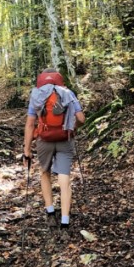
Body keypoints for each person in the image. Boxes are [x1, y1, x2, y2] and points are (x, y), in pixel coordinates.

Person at [22, 69, 85, 227]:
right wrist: (73, 127)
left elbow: (30, 124)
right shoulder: (68, 93)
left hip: (44, 140)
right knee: (64, 178)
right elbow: (81, 118)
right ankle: (65, 221)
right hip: (65, 139)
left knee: (45, 172)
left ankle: (50, 212)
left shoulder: (36, 94)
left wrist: (27, 151)